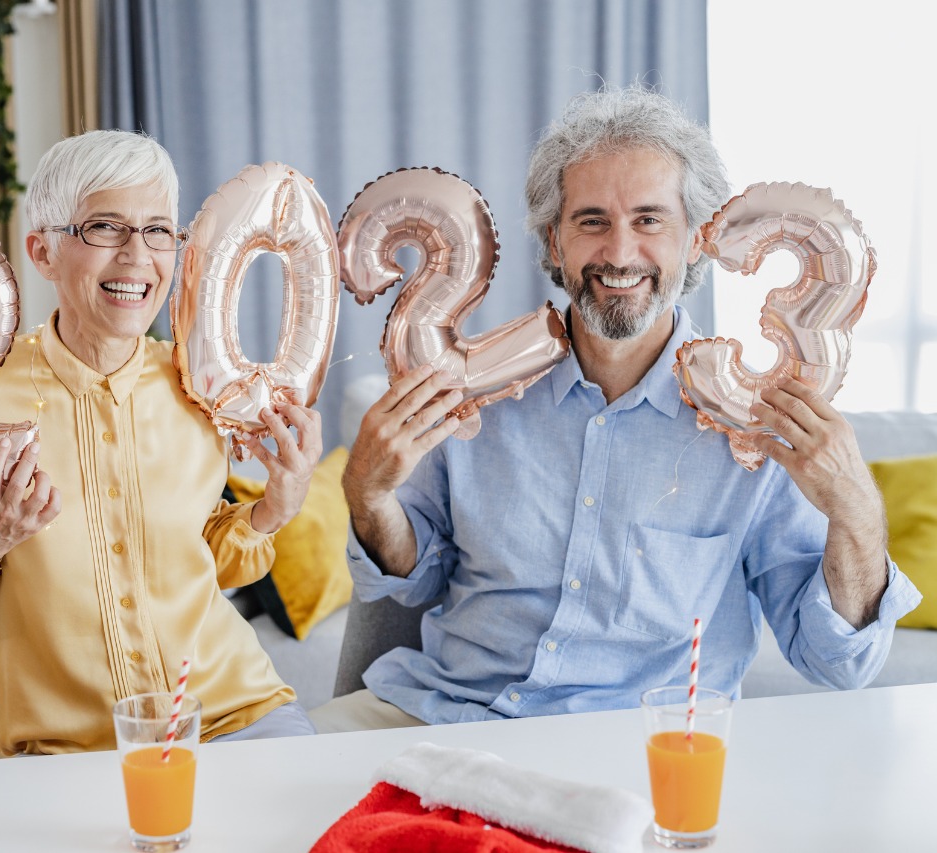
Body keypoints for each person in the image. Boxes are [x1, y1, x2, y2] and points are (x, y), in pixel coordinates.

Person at [310, 84, 921, 733]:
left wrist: (857, 510)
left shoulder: (757, 426)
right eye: (592, 220)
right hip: (442, 714)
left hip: (635, 744)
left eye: (650, 220)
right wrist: (370, 499)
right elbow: (412, 580)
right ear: (554, 241)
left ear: (697, 240)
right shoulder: (472, 392)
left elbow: (838, 662)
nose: (620, 253)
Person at [0, 129, 322, 754]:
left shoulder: (199, 386)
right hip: (72, 745)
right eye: (105, 227)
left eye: (157, 230)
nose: (136, 255)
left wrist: (275, 508)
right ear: (42, 253)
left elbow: (211, 557)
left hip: (233, 711)